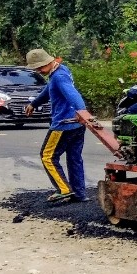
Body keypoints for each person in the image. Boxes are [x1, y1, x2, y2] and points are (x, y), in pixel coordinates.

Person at [22, 49, 88, 205]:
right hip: (77, 125)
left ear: (47, 62)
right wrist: (34, 104)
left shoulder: (58, 76)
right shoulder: (60, 70)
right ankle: (79, 194)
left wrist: (81, 110)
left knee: (47, 156)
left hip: (63, 125)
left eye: (40, 68)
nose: (39, 71)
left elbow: (72, 94)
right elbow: (48, 91)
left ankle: (64, 189)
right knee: (74, 158)